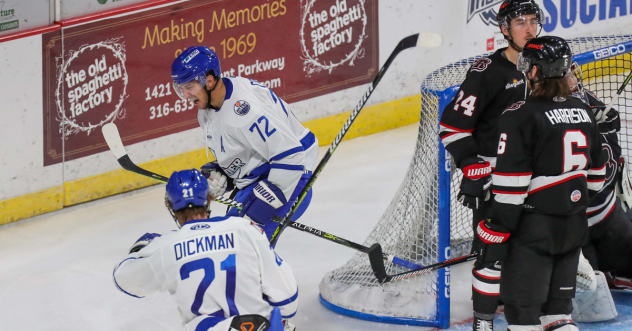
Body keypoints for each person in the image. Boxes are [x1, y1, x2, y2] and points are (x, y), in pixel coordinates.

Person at [475, 36, 606, 331]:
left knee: (524, 321)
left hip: (534, 232)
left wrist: (497, 228)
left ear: (534, 72)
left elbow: (511, 187)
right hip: (574, 228)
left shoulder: (519, 114)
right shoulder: (583, 110)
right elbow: (597, 179)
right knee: (558, 317)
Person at [439, 1, 544, 329]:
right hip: (495, 176)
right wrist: (471, 162)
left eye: (533, 21)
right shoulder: (488, 72)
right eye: (520, 23)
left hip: (536, 171)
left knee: (533, 242)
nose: (529, 29)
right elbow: (453, 125)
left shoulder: (546, 62)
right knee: (491, 250)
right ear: (504, 29)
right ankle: (487, 310)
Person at [113, 169, 298, 331]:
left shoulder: (165, 248)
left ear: (170, 207)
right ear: (207, 200)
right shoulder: (246, 229)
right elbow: (288, 300)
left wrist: (142, 248)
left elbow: (124, 280)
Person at [171, 46, 319, 242]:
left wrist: (262, 206)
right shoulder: (208, 106)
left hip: (293, 177)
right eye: (181, 89)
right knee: (233, 242)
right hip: (260, 177)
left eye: (189, 87)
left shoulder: (245, 111)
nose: (186, 96)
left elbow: (291, 156)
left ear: (209, 80)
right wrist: (225, 174)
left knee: (242, 244)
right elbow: (249, 148)